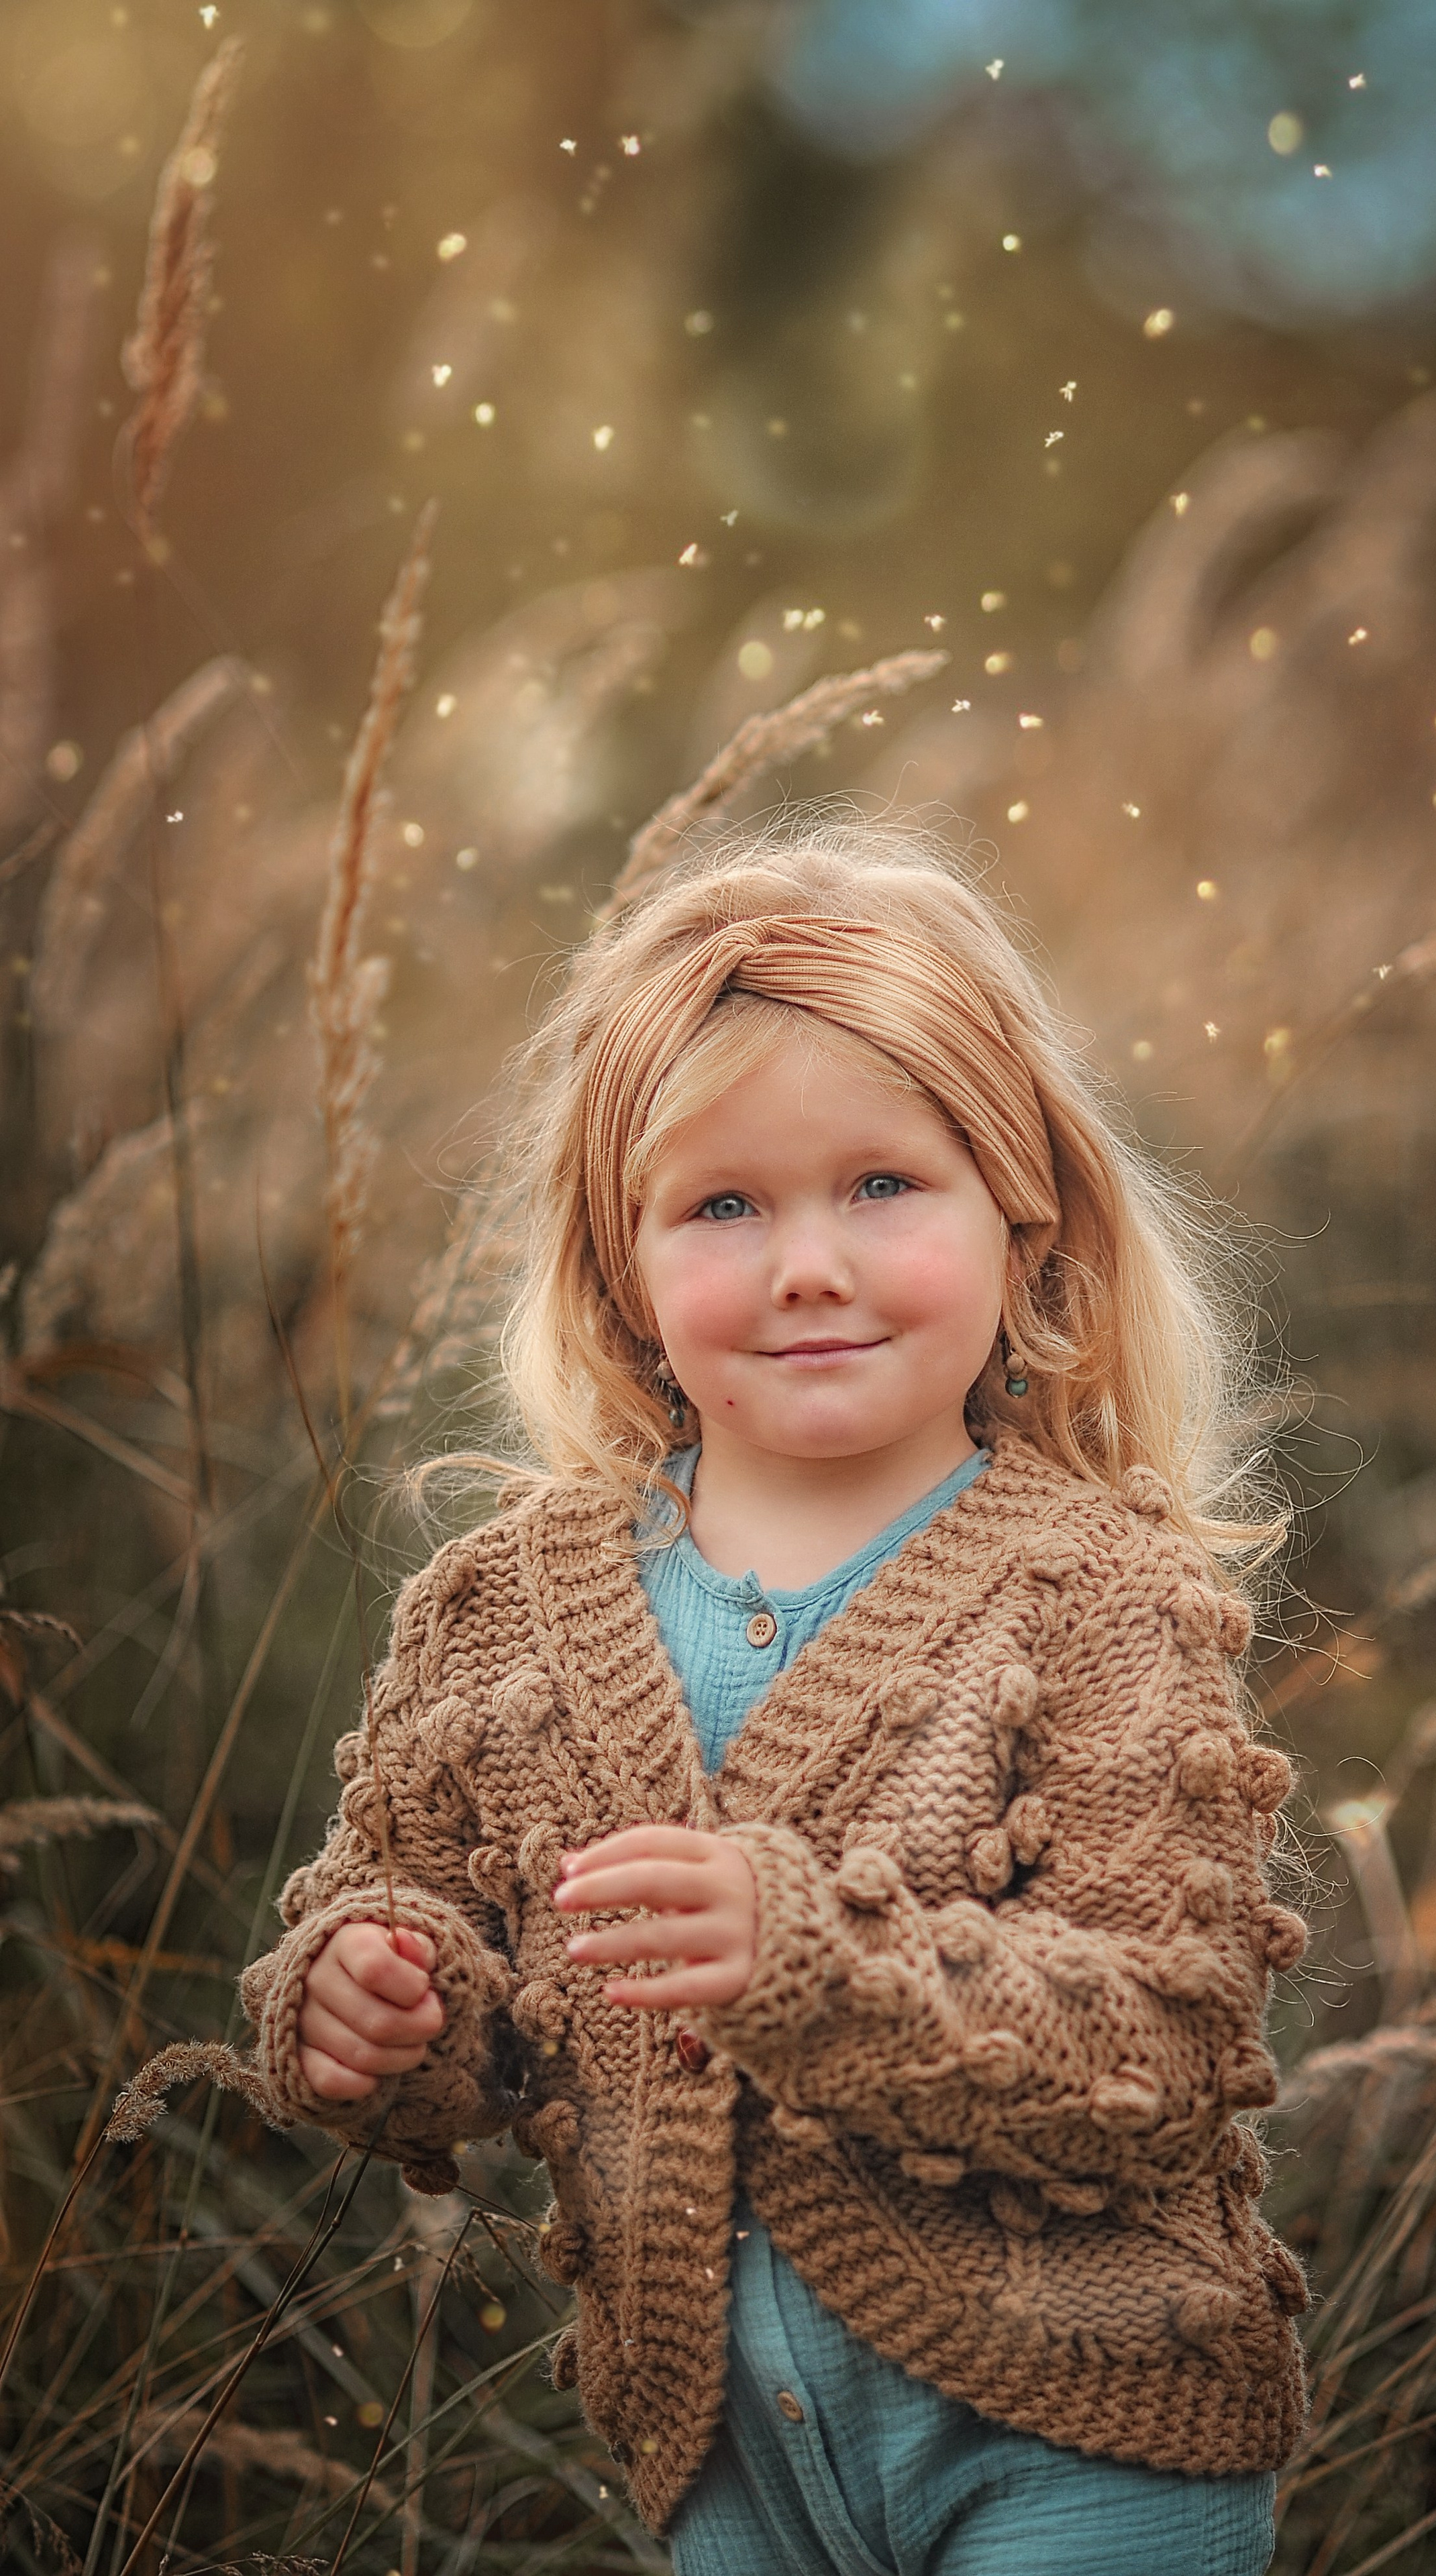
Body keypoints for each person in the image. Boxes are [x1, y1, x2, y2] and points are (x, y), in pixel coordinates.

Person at [241, 814, 1311, 2575]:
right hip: (723, 2465)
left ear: (1022, 1217)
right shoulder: (504, 1616)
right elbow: (453, 1962)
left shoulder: (1095, 1593)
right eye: (724, 1205)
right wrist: (379, 2001)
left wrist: (811, 1966)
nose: (809, 1262)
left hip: (1083, 2433)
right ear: (625, 1263)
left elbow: (1167, 2044)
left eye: (883, 1184)